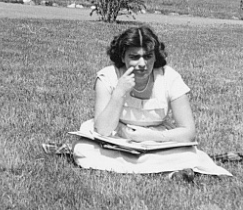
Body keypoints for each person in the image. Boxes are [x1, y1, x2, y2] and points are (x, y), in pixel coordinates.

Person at [72, 25, 231, 175]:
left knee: (190, 155)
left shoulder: (169, 77)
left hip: (156, 140)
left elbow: (188, 132)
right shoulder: (107, 77)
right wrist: (119, 92)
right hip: (117, 137)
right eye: (134, 57)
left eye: (147, 56)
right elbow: (103, 130)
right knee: (83, 150)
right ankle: (165, 168)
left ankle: (153, 166)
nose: (142, 64)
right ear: (122, 56)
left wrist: (146, 136)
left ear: (155, 57)